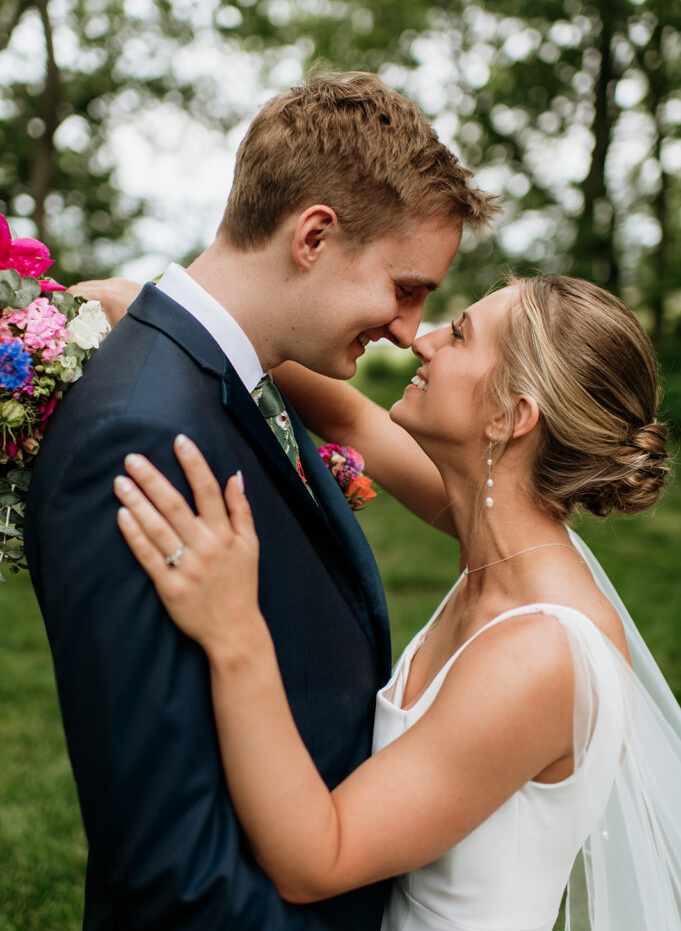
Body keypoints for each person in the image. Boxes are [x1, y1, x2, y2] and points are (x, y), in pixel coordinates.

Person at [24, 72, 496, 930]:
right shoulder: (139, 434)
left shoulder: (243, 376)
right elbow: (168, 867)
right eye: (404, 286)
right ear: (313, 236)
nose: (406, 327)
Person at [111, 275, 681, 931]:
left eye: (460, 334)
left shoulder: (537, 657)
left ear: (509, 418)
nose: (423, 340)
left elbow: (317, 857)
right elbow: (350, 416)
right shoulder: (504, 539)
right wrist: (164, 311)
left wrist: (234, 630)